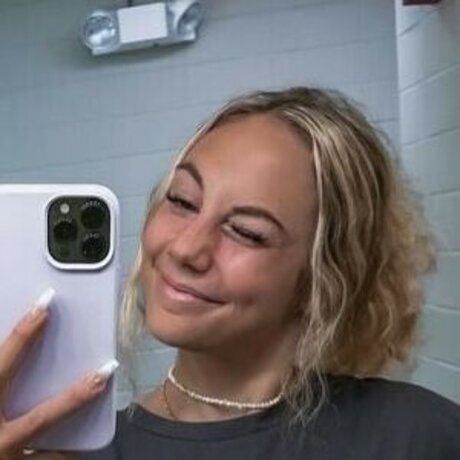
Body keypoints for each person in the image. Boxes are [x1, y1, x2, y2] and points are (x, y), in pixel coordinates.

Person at [1, 87, 459, 459]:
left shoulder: (417, 436)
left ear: (321, 278)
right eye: (181, 201)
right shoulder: (78, 456)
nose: (186, 248)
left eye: (246, 232)